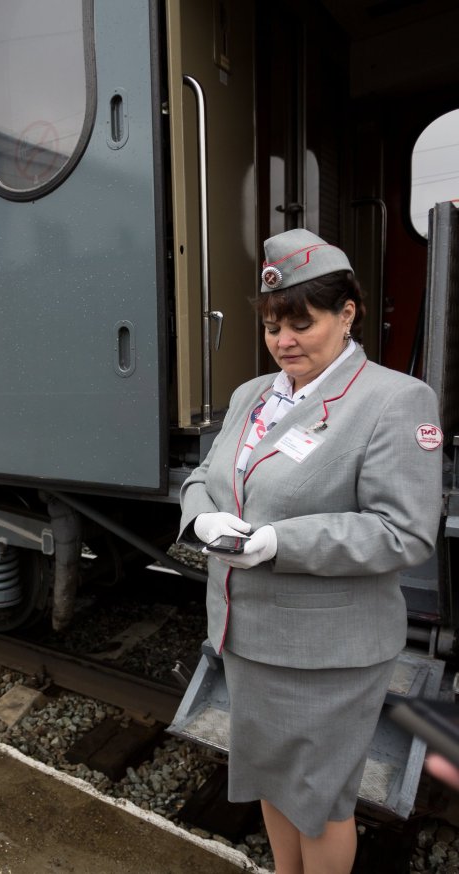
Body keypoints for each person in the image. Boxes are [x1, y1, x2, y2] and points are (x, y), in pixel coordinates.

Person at [179, 229, 443, 874]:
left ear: (347, 313)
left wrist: (277, 543)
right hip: (247, 637)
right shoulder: (251, 396)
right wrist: (202, 520)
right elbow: (198, 479)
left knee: (320, 801)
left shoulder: (393, 400)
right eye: (272, 325)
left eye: (301, 323)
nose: (283, 341)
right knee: (271, 779)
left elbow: (404, 532)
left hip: (328, 654)